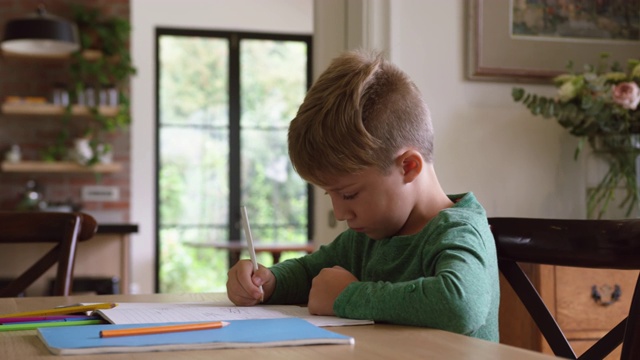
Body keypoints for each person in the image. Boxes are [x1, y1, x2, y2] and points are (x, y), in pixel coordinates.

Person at [226, 49, 499, 341]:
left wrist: (348, 296)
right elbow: (310, 274)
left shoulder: (458, 231)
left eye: (349, 194)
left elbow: (460, 306)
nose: (341, 213)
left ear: (408, 167)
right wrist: (268, 282)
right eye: (330, 194)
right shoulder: (367, 239)